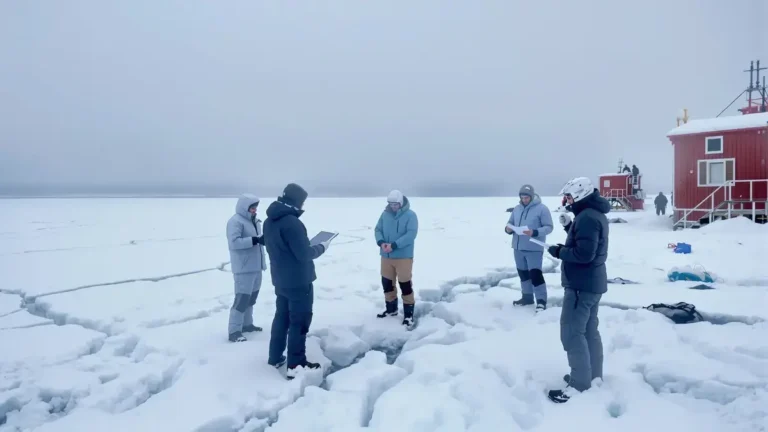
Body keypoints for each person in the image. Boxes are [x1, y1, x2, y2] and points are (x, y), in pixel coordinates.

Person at [545, 177, 610, 403]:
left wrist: (558, 251)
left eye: (570, 197)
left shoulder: (588, 218)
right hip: (591, 284)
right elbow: (586, 243)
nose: (567, 200)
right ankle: (592, 375)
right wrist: (569, 227)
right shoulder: (592, 215)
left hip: (582, 286)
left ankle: (579, 383)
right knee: (588, 331)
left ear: (581, 195)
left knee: (572, 332)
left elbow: (584, 254)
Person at [263, 183, 334, 379]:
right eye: (303, 201)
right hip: (298, 281)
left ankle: (275, 356)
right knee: (299, 322)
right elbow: (304, 254)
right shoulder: (292, 223)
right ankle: (296, 364)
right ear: (297, 201)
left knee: (281, 319)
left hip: (280, 280)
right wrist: (322, 247)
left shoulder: (269, 221)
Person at [504, 184, 554, 312]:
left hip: (534, 248)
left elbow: (549, 227)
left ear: (531, 196)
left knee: (535, 275)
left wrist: (535, 232)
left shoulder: (542, 209)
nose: (524, 199)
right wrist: (508, 229)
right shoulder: (517, 209)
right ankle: (527, 297)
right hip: (518, 248)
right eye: (522, 197)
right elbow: (510, 224)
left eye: (526, 197)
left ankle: (541, 301)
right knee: (523, 275)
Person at [226, 194, 267, 343]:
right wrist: (255, 240)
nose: (255, 210)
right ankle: (234, 331)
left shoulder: (255, 221)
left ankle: (247, 324)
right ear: (244, 207)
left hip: (256, 267)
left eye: (256, 207)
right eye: (252, 207)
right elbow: (234, 243)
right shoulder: (235, 222)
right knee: (242, 299)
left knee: (251, 299)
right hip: (243, 269)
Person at [375, 190, 419, 328]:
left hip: (403, 256)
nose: (393, 206)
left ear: (400, 203)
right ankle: (391, 310)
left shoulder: (411, 215)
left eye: (395, 204)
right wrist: (381, 242)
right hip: (386, 255)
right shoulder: (385, 214)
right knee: (387, 283)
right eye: (391, 204)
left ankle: (408, 315)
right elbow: (377, 229)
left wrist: (394, 245)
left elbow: (411, 234)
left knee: (405, 284)